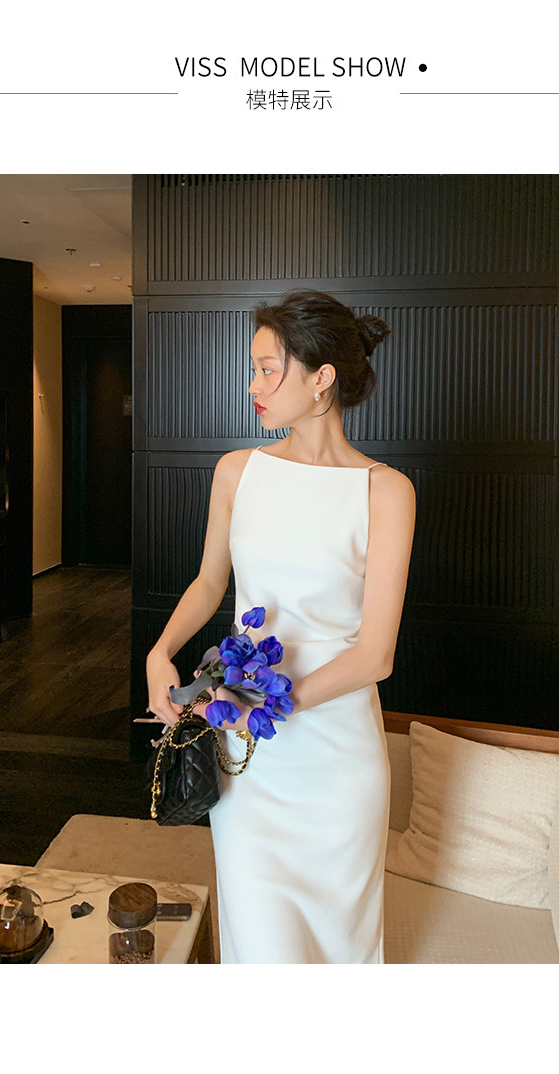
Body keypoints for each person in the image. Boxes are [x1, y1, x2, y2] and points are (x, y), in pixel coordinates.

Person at [145, 294, 416, 964]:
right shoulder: (238, 471)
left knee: (339, 951)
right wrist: (160, 652)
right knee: (261, 945)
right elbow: (210, 582)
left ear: (322, 378)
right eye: (254, 369)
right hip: (253, 761)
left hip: (338, 758)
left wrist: (264, 706)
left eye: (268, 370)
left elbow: (375, 655)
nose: (253, 385)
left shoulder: (386, 491)